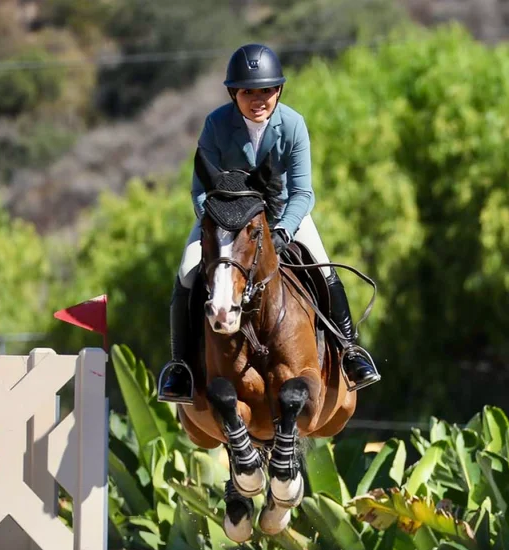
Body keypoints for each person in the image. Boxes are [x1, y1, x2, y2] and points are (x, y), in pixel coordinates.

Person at [158, 43, 380, 404]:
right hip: (224, 221)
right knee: (186, 271)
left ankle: (349, 351)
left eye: (266, 90)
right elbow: (201, 190)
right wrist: (217, 226)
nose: (258, 99)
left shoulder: (292, 125)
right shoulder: (216, 124)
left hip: (282, 217)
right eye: (248, 92)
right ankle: (180, 367)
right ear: (234, 93)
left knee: (323, 268)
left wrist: (282, 230)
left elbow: (303, 192)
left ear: (279, 90)